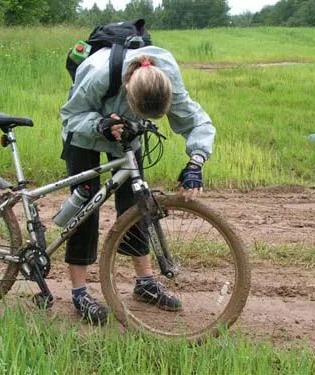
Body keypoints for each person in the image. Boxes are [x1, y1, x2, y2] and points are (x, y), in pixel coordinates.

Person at [59, 45, 216, 324]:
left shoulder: (165, 77)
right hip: (85, 131)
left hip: (127, 131)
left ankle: (144, 283)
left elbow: (196, 121)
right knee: (86, 206)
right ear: (128, 93)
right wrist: (101, 125)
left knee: (136, 205)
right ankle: (79, 292)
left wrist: (196, 162)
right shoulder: (99, 76)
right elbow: (71, 117)